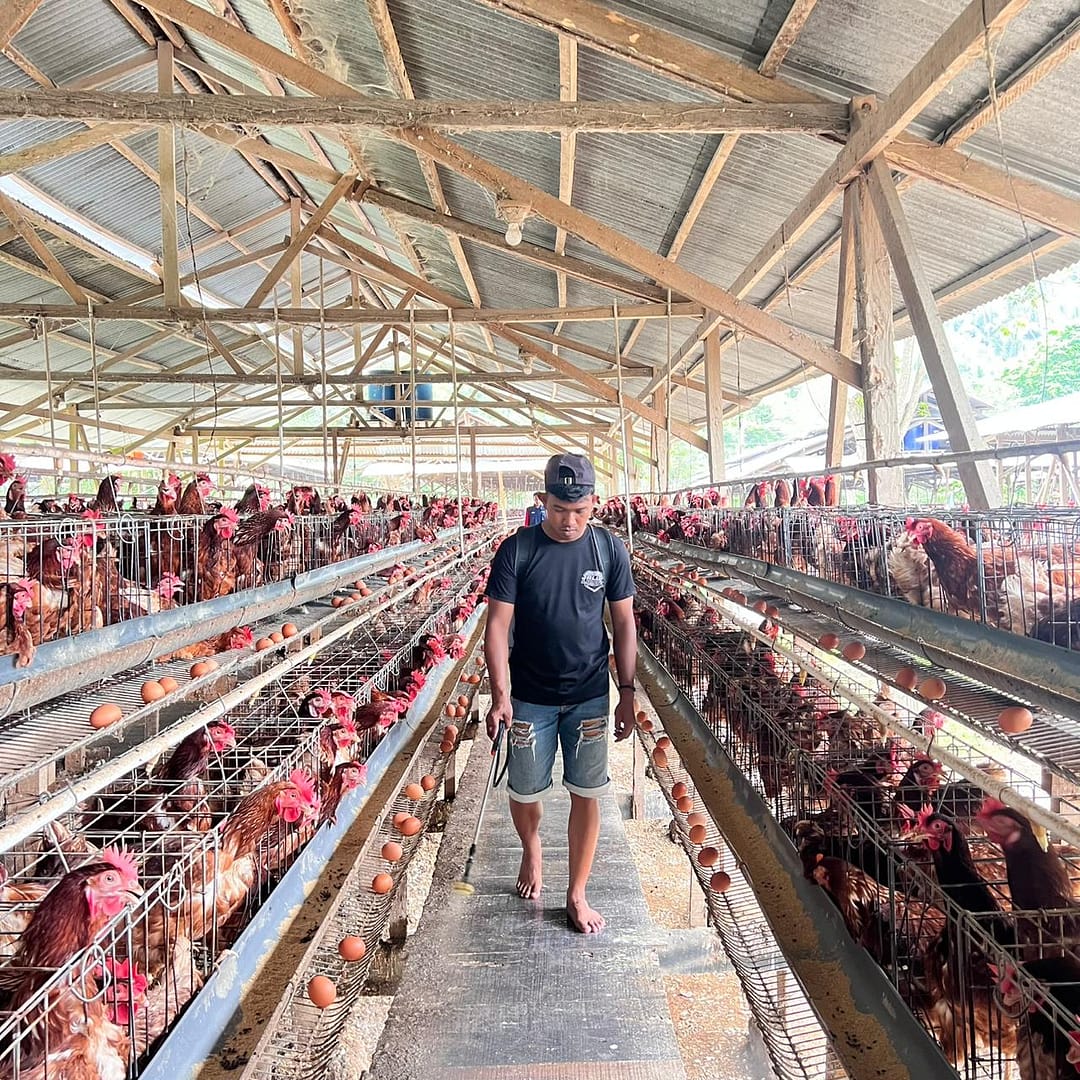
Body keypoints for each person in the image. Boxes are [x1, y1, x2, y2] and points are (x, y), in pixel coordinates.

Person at [484, 453, 637, 934]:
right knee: (524, 788)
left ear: (595, 503)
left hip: (589, 693)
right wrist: (500, 694)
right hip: (529, 693)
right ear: (542, 501)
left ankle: (576, 893)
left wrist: (627, 690)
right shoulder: (517, 550)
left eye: (579, 510)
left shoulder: (608, 550)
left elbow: (624, 622)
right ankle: (532, 848)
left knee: (587, 791)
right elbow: (497, 626)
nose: (569, 520)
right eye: (558, 509)